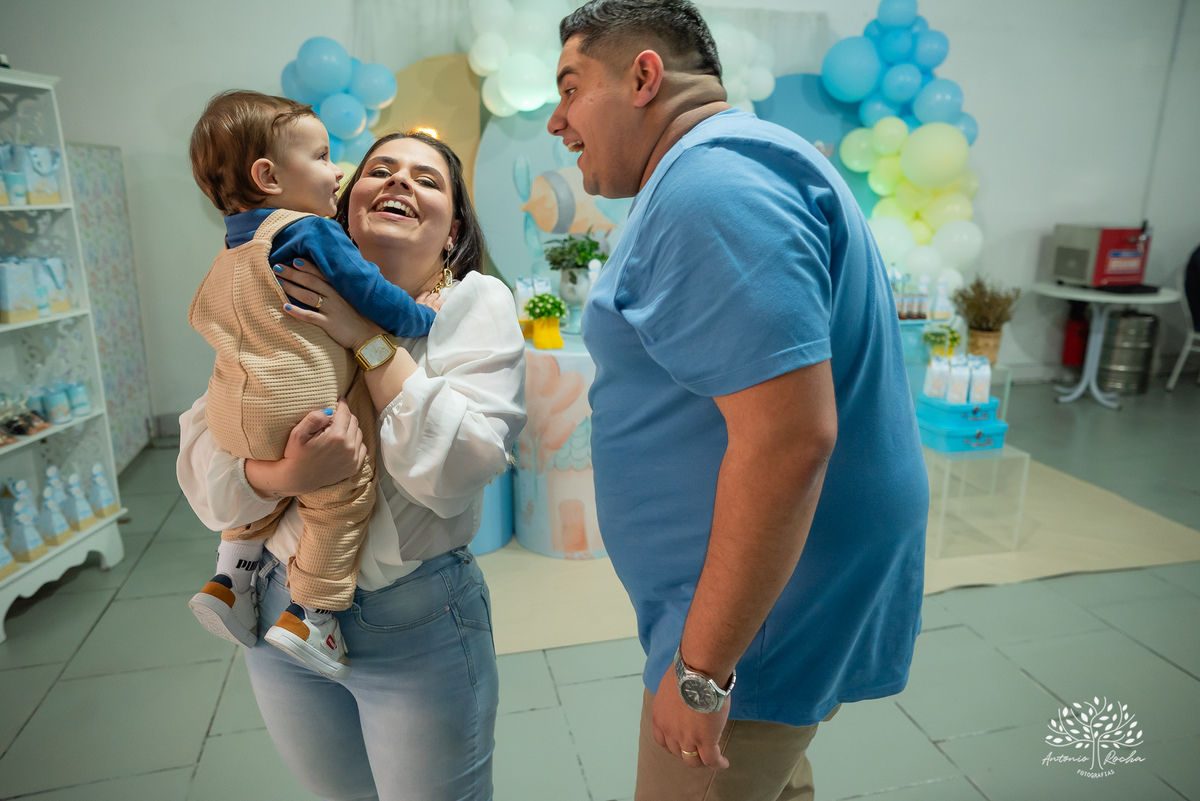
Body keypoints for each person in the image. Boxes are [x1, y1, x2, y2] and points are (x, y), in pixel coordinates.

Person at [548, 2, 929, 799]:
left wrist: (702, 675)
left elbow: (789, 443)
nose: (558, 120)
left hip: (755, 619)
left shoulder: (710, 190)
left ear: (644, 77)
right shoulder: (729, 168)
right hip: (762, 599)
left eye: (572, 88)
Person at [177, 130, 525, 800]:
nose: (399, 181)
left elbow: (458, 469)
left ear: (453, 233)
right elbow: (207, 460)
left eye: (427, 179)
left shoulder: (472, 306)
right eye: (381, 170)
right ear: (342, 209)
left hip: (415, 626)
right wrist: (282, 479)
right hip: (279, 616)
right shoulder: (284, 289)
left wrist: (365, 338)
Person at [186, 91, 442, 679]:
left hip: (235, 409)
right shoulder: (311, 232)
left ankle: (229, 578)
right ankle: (312, 616)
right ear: (268, 176)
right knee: (341, 495)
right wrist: (421, 317)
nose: (338, 172)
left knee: (256, 479)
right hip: (297, 402)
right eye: (325, 157)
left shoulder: (229, 252)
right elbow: (370, 293)